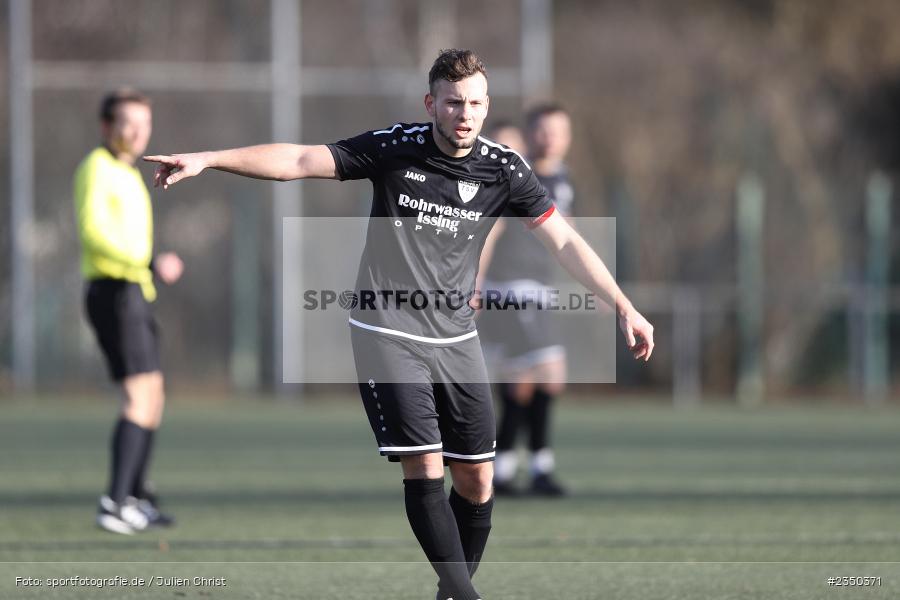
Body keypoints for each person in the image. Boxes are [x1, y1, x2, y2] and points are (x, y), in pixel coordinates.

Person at [144, 49, 653, 600]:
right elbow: (299, 160)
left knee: (477, 478)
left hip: (456, 335)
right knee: (426, 465)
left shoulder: (504, 168)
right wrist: (209, 159)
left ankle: (451, 593)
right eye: (453, 102)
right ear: (431, 103)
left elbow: (565, 241)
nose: (465, 114)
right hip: (386, 329)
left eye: (475, 103)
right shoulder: (395, 147)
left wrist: (623, 305)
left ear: (487, 106)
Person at [74, 88, 183, 535]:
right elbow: (93, 233)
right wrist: (148, 262)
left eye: (145, 123)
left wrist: (147, 268)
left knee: (153, 395)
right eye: (128, 123)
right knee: (138, 397)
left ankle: (136, 498)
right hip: (114, 291)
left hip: (135, 292)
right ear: (107, 127)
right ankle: (114, 502)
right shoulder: (96, 168)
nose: (138, 132)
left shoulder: (128, 172)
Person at [479, 106, 576, 497]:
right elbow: (490, 231)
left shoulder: (563, 179)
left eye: (558, 130)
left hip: (538, 290)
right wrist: (475, 283)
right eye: (542, 130)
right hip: (510, 290)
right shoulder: (515, 176)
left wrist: (597, 281)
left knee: (529, 383)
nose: (550, 138)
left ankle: (511, 470)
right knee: (544, 374)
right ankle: (524, 470)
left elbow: (568, 234)